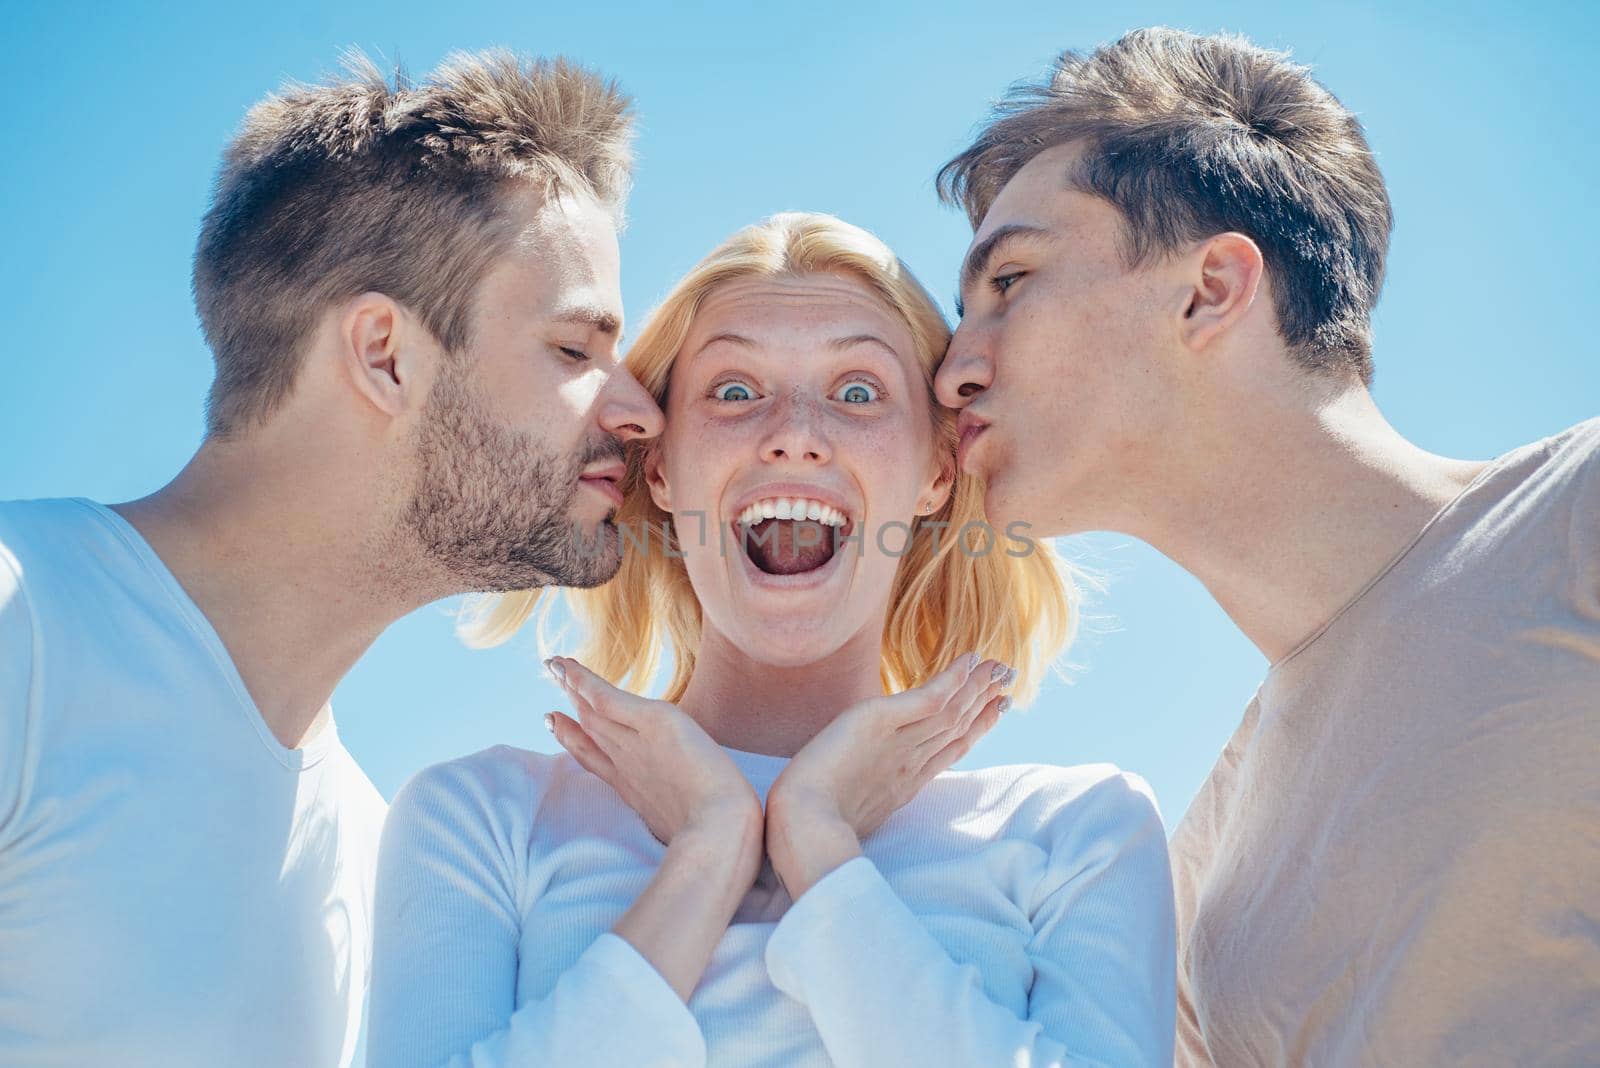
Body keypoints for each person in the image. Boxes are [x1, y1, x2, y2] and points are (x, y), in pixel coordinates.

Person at [933, 26, 1600, 1067]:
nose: (952, 369)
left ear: (1208, 289)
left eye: (1009, 282)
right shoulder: (1209, 876)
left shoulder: (1578, 514)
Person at [366, 211, 1177, 1067]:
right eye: (735, 391)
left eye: (858, 391)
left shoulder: (1078, 833)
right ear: (664, 467)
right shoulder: (483, 820)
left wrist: (818, 843)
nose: (793, 430)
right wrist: (710, 850)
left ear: (937, 471)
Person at [0, 50, 662, 1067]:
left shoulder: (370, 846)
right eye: (576, 351)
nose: (638, 412)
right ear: (384, 355)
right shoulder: (23, 625)